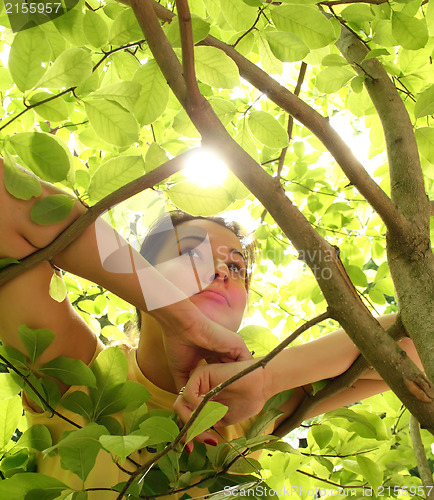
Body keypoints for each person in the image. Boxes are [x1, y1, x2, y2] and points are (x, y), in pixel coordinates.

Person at [0, 158, 423, 498]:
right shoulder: (74, 371)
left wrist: (268, 376)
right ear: (140, 276)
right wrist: (178, 316)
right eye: (191, 254)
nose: (221, 269)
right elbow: (9, 201)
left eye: (237, 266)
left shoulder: (255, 410)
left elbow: (421, 340)